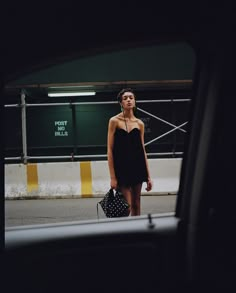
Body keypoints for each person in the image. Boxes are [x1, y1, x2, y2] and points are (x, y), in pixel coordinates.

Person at [107, 88, 153, 216]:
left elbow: (143, 150)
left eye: (131, 98)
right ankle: (123, 231)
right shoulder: (114, 121)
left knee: (136, 204)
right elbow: (110, 150)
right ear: (121, 103)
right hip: (121, 168)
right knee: (126, 207)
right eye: (125, 98)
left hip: (138, 167)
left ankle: (136, 232)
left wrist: (148, 176)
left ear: (135, 101)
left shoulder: (140, 124)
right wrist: (112, 177)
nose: (128, 100)